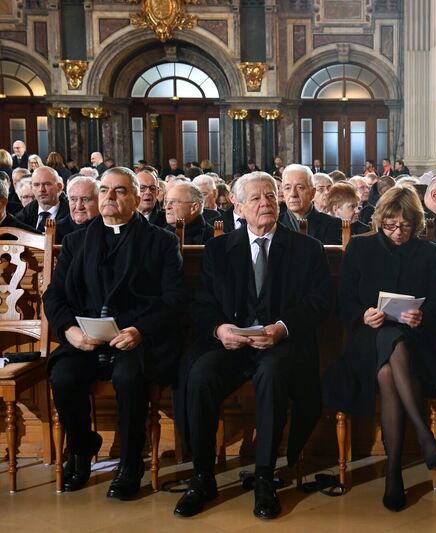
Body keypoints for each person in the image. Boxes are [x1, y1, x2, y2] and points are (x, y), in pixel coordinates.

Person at [174, 172, 331, 519]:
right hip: (231, 345)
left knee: (274, 374)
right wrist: (220, 329)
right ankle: (202, 476)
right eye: (257, 198)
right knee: (199, 374)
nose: (266, 203)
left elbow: (319, 302)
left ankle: (264, 477)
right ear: (239, 207)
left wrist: (281, 328)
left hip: (280, 345)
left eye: (271, 197)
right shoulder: (219, 248)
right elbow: (202, 304)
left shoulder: (306, 248)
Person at [44, 167, 185, 499]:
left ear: (137, 198)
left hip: (136, 340)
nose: (109, 197)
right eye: (104, 190)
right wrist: (70, 331)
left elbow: (175, 300)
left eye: (119, 191)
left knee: (129, 378)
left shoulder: (161, 241)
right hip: (86, 339)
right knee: (63, 376)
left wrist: (140, 330)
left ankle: (130, 463)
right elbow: (55, 296)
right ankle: (81, 450)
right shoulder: (77, 242)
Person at [324, 186, 436, 511]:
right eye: (391, 225)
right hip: (364, 342)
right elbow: (344, 303)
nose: (397, 232)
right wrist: (363, 315)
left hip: (414, 345)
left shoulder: (428, 253)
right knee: (387, 341)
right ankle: (424, 438)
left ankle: (394, 473)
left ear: (415, 224)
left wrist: (421, 315)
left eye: (405, 226)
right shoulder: (360, 249)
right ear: (380, 220)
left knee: (388, 370)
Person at [279, 164, 342, 244]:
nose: (293, 194)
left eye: (300, 187)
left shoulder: (332, 225)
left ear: (312, 193)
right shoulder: (273, 225)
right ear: (283, 193)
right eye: (287, 188)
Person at [17, 166, 70, 230]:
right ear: (32, 188)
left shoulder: (71, 216)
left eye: (47, 184)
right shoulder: (23, 216)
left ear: (59, 187)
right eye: (36, 185)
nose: (41, 189)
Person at [57, 176, 100, 243]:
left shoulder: (109, 229)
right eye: (73, 199)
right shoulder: (56, 231)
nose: (79, 206)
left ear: (99, 201)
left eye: (85, 199)